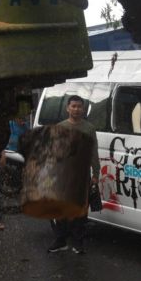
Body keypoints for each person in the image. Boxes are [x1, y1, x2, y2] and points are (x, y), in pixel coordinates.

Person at [47, 95, 100, 254]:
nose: (76, 109)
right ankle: (61, 240)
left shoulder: (89, 128)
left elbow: (93, 152)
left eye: (79, 107)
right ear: (67, 108)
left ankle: (78, 242)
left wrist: (95, 174)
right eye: (73, 106)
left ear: (83, 109)